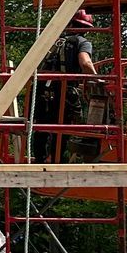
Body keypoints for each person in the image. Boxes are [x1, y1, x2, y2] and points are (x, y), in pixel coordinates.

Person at [34, 10, 102, 161]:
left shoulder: (53, 40)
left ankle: (39, 162)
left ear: (70, 24)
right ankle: (57, 164)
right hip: (64, 93)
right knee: (62, 130)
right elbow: (85, 63)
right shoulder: (82, 42)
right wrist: (98, 80)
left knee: (41, 128)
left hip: (42, 90)